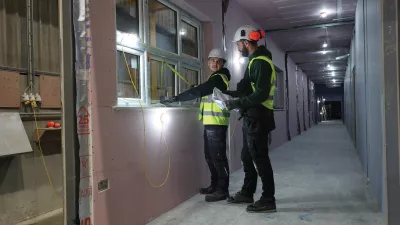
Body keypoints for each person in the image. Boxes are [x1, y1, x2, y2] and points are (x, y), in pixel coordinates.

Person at [160, 48, 231, 202]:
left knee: (218, 158)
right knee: (210, 156)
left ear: (223, 64)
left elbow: (201, 90)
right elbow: (204, 92)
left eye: (218, 61)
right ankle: (214, 186)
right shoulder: (214, 78)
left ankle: (222, 190)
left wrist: (175, 98)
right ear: (208, 62)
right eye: (212, 60)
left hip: (217, 124)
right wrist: (197, 90)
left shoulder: (220, 78)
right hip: (210, 124)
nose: (215, 63)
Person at [222, 25, 277, 213]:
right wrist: (226, 95)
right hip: (252, 117)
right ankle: (247, 192)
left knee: (260, 158)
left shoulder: (260, 62)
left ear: (246, 43)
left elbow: (261, 94)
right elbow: (245, 90)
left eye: (238, 44)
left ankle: (268, 199)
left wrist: (237, 103)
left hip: (259, 116)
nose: (238, 47)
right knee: (247, 156)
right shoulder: (254, 61)